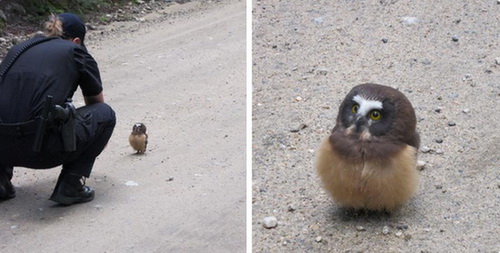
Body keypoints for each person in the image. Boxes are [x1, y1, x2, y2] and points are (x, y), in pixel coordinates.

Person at [0, 13, 116, 205]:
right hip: (42, 150)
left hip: (2, 148)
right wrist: (95, 140)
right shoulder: (75, 51)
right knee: (105, 115)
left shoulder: (16, 50)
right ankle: (71, 185)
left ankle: (1, 182)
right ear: (77, 40)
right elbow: (96, 103)